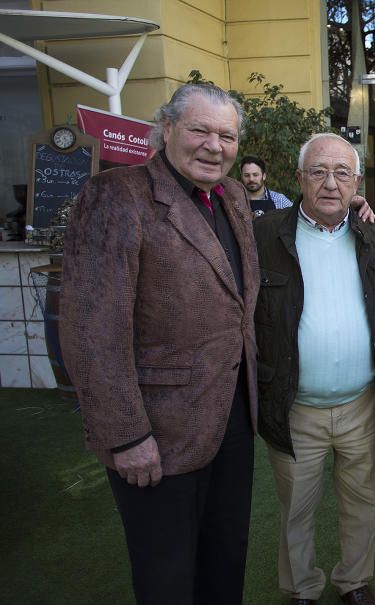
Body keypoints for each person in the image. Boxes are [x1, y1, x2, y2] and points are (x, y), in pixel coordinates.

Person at [59, 83, 259, 605]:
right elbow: (90, 331)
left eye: (227, 135)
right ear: (167, 128)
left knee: (225, 558)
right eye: (200, 130)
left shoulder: (234, 197)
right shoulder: (115, 196)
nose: (214, 146)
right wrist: (125, 436)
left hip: (234, 418)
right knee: (167, 576)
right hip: (157, 432)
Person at [254, 133, 375, 605]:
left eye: (341, 173)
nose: (330, 184)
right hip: (295, 406)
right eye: (318, 172)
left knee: (364, 502)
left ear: (357, 182)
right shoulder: (263, 236)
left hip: (362, 403)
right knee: (296, 508)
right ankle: (302, 588)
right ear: (298, 179)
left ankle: (354, 581)